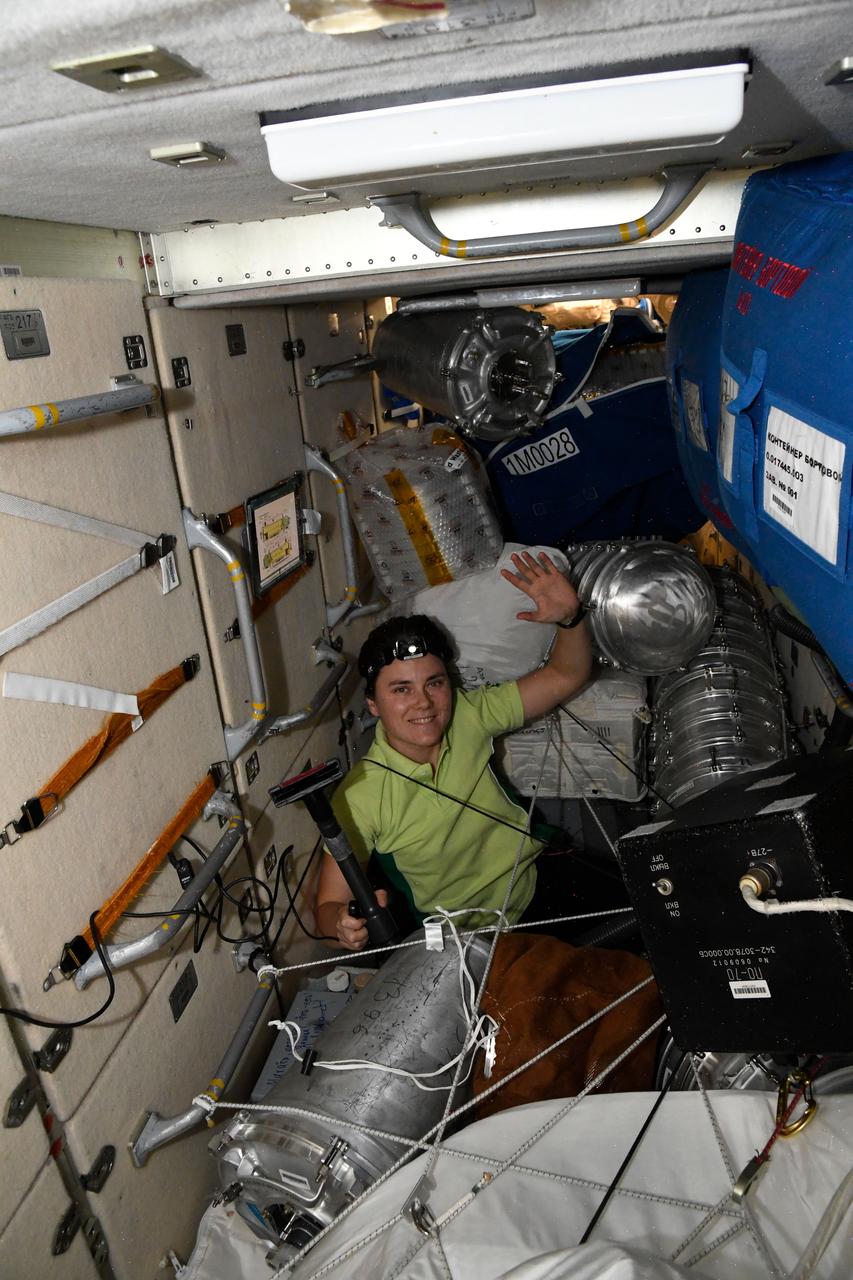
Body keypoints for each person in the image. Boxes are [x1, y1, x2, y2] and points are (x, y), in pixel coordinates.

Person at [314, 550, 593, 950]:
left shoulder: (468, 714)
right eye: (401, 689)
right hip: (470, 943)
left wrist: (571, 618)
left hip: (535, 888)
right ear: (373, 705)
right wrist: (339, 924)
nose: (423, 702)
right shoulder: (359, 798)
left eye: (434, 683)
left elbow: (567, 673)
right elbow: (327, 905)